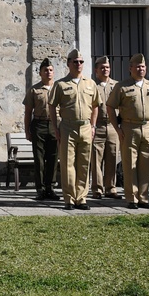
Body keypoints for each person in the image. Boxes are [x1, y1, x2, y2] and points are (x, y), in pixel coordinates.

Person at [106, 54, 149, 209]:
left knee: (146, 164)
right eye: (137, 66)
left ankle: (144, 197)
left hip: (148, 128)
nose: (141, 69)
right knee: (129, 163)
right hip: (129, 128)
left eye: (143, 66)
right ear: (130, 68)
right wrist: (117, 128)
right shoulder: (122, 86)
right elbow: (110, 107)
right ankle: (132, 198)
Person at [48, 49, 99, 211]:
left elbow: (95, 105)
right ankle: (69, 198)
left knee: (84, 164)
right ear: (68, 63)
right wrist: (55, 128)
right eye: (75, 61)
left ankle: (81, 198)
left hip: (85, 127)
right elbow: (52, 106)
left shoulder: (90, 83)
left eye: (81, 62)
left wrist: (93, 125)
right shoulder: (61, 84)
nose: (78, 64)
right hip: (68, 127)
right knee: (68, 164)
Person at [23, 58, 59, 201]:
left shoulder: (58, 88)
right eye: (45, 70)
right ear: (40, 73)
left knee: (53, 158)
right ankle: (40, 189)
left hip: (54, 125)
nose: (48, 72)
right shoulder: (34, 90)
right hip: (39, 125)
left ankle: (50, 188)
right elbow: (27, 112)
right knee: (39, 159)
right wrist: (27, 130)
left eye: (50, 70)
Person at [91, 56, 120, 200]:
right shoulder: (92, 86)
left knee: (112, 157)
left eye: (107, 67)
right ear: (96, 70)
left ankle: (111, 188)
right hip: (99, 126)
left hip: (113, 126)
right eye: (102, 67)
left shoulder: (116, 86)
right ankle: (97, 189)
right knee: (96, 159)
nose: (105, 70)